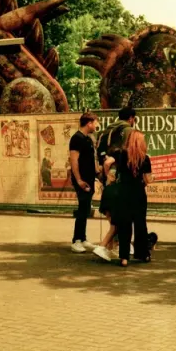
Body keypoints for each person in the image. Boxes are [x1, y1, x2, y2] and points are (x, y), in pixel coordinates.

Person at [113, 129, 153, 267]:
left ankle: (124, 257)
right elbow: (148, 180)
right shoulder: (145, 158)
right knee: (140, 224)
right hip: (138, 193)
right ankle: (143, 254)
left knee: (124, 224)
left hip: (123, 193)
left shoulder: (121, 155)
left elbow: (113, 170)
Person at [69, 113, 100, 253]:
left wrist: (98, 173)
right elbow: (74, 160)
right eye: (95, 122)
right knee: (82, 209)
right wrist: (79, 180)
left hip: (89, 178)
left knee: (86, 208)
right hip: (82, 180)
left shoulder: (88, 139)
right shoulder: (76, 138)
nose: (97, 125)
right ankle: (76, 241)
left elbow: (92, 159)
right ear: (89, 123)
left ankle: (83, 238)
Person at [96, 106, 136, 171]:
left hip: (106, 163)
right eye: (134, 119)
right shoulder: (128, 130)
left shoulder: (110, 128)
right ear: (131, 118)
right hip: (120, 166)